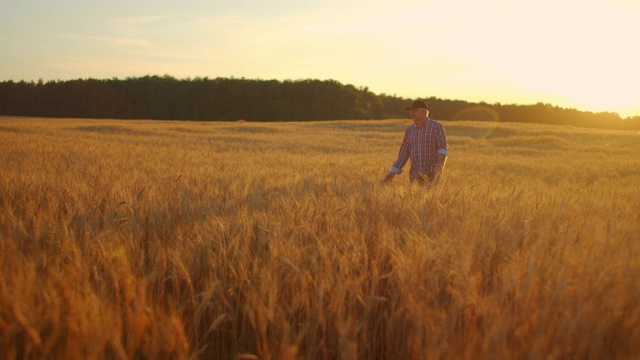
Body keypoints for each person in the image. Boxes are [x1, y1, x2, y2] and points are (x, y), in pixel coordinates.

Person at [383, 100, 448, 185]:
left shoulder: (436, 126)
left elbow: (442, 148)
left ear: (424, 112)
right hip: (414, 176)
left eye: (415, 110)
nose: (411, 113)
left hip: (432, 175)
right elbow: (404, 154)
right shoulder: (409, 130)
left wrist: (440, 163)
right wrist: (393, 172)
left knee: (430, 196)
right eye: (411, 111)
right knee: (415, 197)